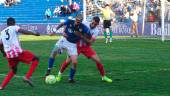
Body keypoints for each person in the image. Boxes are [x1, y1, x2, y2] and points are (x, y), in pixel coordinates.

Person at [55, 16, 112, 83]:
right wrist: (65, 32)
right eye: (93, 23)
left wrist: (81, 36)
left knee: (98, 61)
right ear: (92, 20)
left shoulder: (96, 31)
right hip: (76, 45)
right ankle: (59, 75)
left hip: (86, 47)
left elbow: (90, 42)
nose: (93, 25)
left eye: (95, 24)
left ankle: (103, 77)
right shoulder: (84, 23)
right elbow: (70, 25)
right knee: (68, 61)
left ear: (97, 24)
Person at [45, 14, 92, 82]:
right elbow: (61, 24)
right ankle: (49, 69)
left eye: (79, 21)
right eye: (76, 20)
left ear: (81, 21)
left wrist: (81, 36)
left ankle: (70, 79)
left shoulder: (84, 28)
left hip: (72, 45)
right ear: (75, 19)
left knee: (75, 62)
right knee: (53, 52)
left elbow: (89, 39)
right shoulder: (70, 21)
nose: (77, 22)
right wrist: (54, 31)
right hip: (64, 40)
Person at [0, 17, 40, 90]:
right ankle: (27, 77)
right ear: (14, 22)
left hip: (9, 55)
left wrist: (3, 53)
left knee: (13, 70)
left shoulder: (2, 32)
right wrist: (34, 33)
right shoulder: (14, 27)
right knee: (35, 59)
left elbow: (0, 44)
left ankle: (1, 86)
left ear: (7, 24)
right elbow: (23, 31)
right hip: (17, 53)